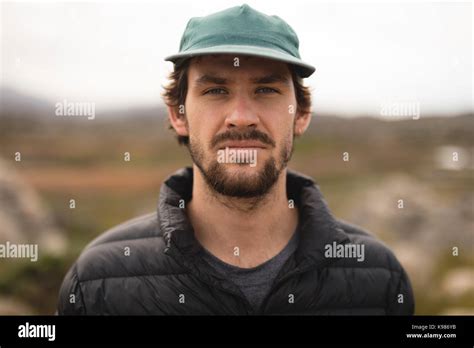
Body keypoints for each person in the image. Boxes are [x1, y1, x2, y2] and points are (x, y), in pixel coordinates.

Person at [58, 4, 414, 315]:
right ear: (178, 114)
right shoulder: (96, 285)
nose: (241, 117)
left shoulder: (379, 278)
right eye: (216, 90)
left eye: (266, 90)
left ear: (301, 113)